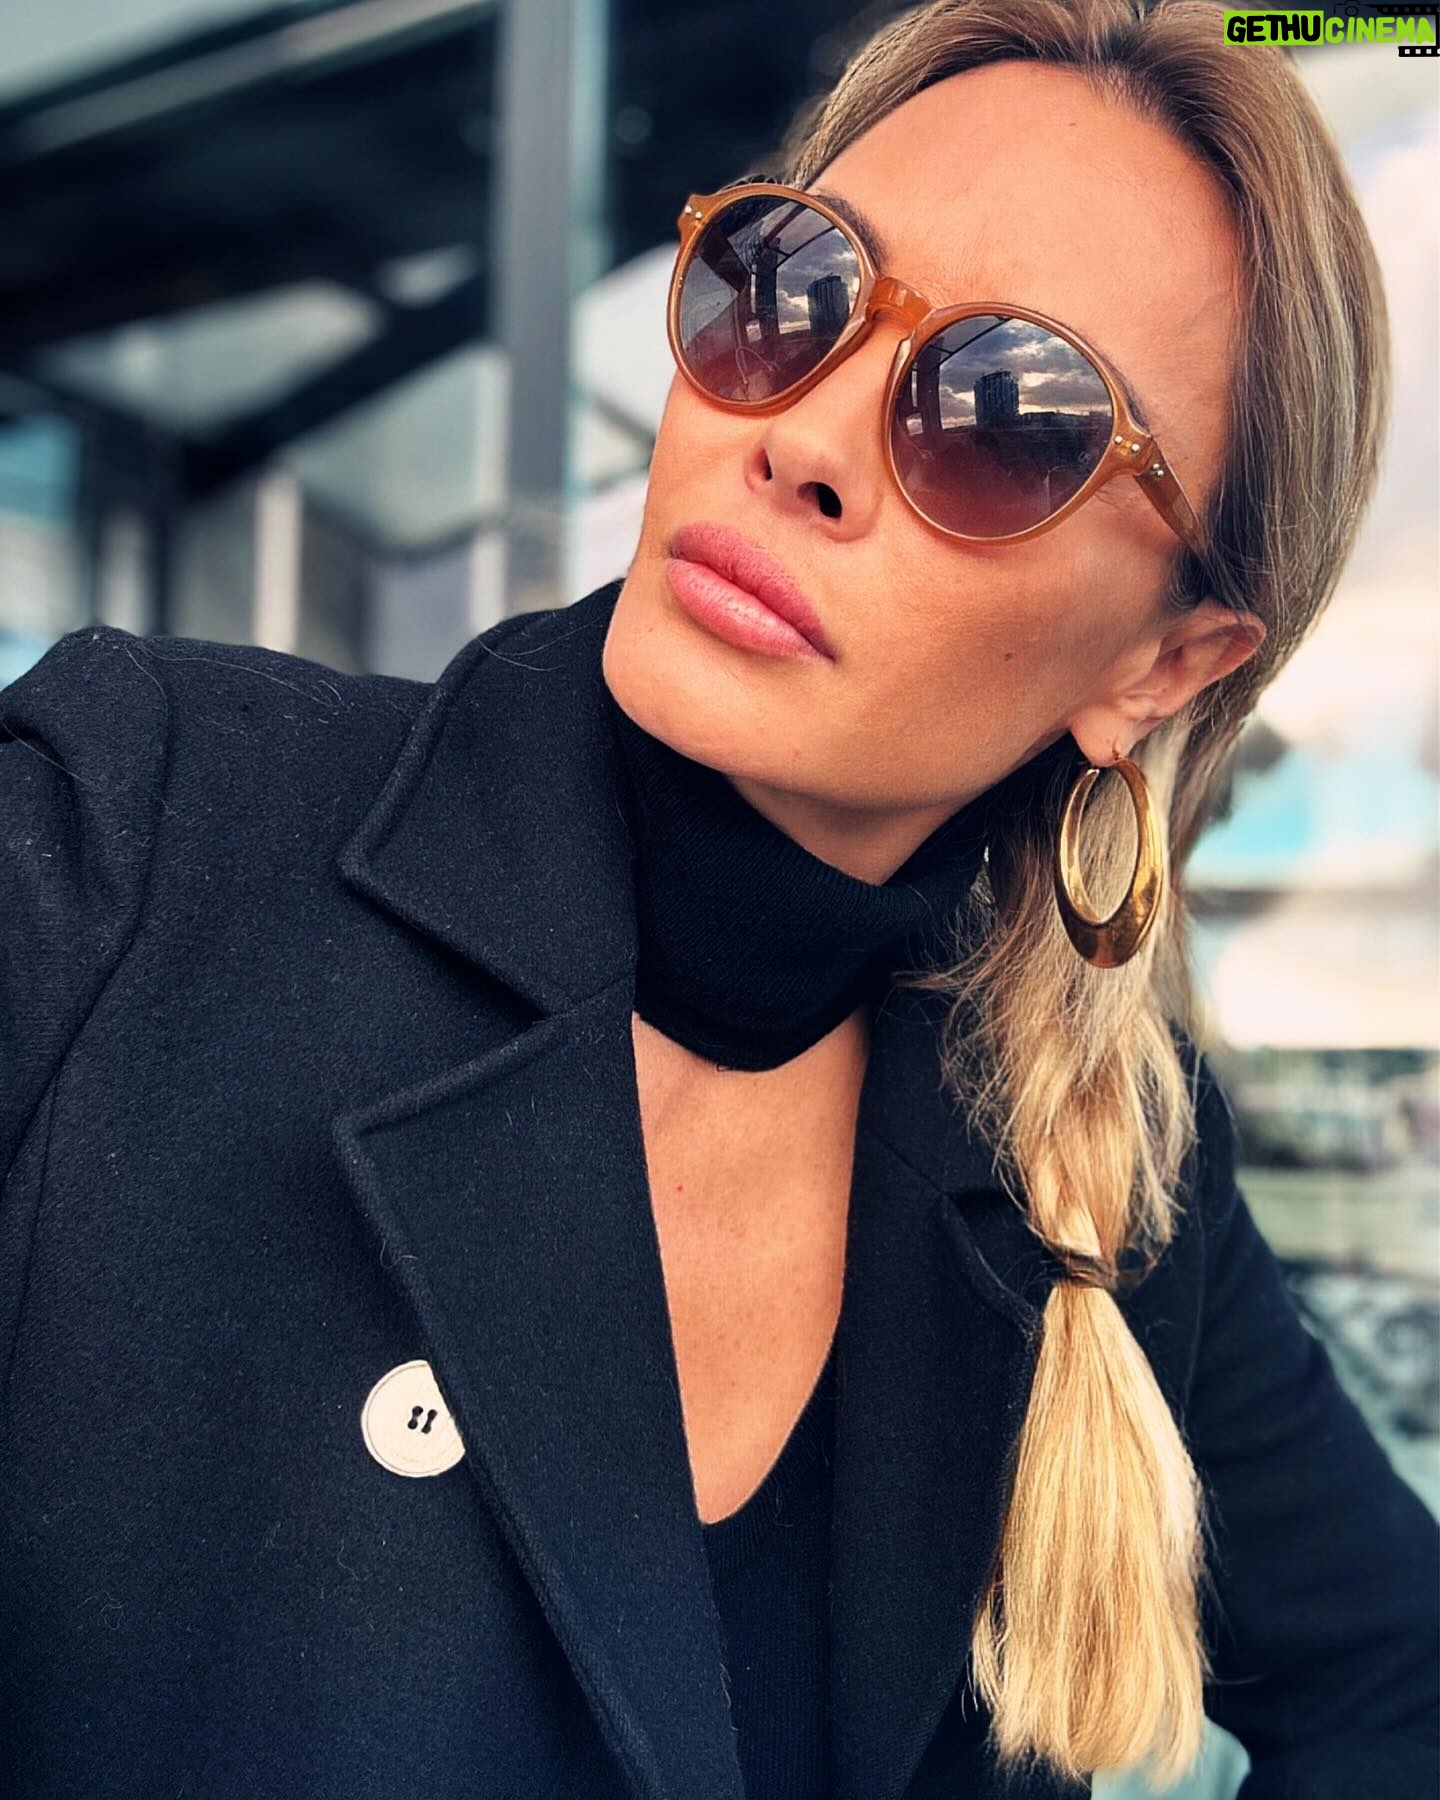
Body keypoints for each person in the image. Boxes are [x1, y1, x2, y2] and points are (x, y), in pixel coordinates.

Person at [1, 1, 1436, 1796]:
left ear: (1163, 663)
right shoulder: (132, 832)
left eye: (1006, 414)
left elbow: (1402, 1690)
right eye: (789, 286)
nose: (804, 435)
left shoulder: (1103, 1171)